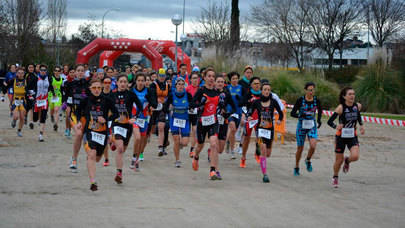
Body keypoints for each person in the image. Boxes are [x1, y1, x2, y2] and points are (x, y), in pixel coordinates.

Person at [76, 78, 118, 191]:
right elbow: (77, 111)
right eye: (94, 88)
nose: (96, 90)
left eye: (99, 88)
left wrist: (106, 119)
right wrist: (79, 121)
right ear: (90, 89)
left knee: (97, 158)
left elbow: (116, 113)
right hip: (89, 132)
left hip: (102, 134)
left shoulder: (107, 100)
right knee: (91, 154)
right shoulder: (86, 100)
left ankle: (91, 160)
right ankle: (93, 182)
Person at [191, 68, 225, 180]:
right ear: (204, 78)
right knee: (200, 145)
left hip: (213, 121)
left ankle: (213, 171)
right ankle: (196, 156)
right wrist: (201, 103)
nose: (211, 78)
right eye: (209, 76)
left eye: (213, 76)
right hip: (202, 122)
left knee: (214, 143)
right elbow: (191, 105)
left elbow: (221, 105)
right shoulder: (201, 91)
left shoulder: (217, 92)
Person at [327, 87, 365, 188]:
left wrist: (361, 125)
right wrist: (336, 126)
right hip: (341, 137)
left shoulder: (357, 106)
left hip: (352, 136)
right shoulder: (341, 108)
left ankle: (347, 161)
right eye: (350, 94)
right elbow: (329, 121)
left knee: (355, 156)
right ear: (344, 96)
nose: (352, 96)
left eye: (353, 94)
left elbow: (358, 115)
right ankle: (335, 177)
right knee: (338, 160)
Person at [109, 74, 142, 183]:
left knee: (122, 149)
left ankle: (113, 141)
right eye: (121, 81)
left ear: (127, 84)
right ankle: (119, 173)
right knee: (120, 149)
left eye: (125, 82)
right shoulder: (111, 94)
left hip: (127, 125)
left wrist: (134, 117)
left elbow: (140, 107)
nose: (123, 84)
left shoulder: (131, 94)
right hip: (116, 124)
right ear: (117, 83)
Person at [247, 82, 283, 182]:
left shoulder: (273, 102)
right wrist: (249, 116)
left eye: (268, 90)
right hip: (260, 129)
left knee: (268, 154)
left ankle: (258, 148)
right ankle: (265, 174)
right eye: (265, 90)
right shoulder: (256, 102)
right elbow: (250, 111)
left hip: (270, 129)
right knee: (263, 150)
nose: (267, 91)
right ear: (261, 91)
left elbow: (281, 113)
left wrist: (279, 119)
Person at [290, 82, 323, 176]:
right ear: (305, 90)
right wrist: (300, 115)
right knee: (300, 148)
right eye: (309, 90)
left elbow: (320, 110)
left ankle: (308, 160)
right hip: (301, 126)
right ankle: (296, 166)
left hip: (311, 125)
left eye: (313, 90)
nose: (311, 92)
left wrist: (319, 120)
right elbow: (292, 113)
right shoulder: (300, 100)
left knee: (313, 145)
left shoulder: (317, 100)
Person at [164, 77, 193, 167]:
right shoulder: (171, 95)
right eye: (179, 84)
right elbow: (165, 107)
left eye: (182, 84)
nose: (180, 86)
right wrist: (169, 108)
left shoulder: (188, 95)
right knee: (176, 140)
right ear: (175, 86)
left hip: (185, 120)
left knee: (184, 143)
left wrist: (191, 108)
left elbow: (192, 105)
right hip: (174, 120)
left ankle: (180, 144)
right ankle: (177, 160)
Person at [131, 72, 157, 167]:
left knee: (142, 139)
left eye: (143, 80)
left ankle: (137, 158)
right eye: (139, 80)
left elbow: (154, 104)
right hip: (134, 118)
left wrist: (149, 100)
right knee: (137, 138)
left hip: (145, 118)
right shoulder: (131, 91)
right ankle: (134, 157)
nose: (141, 82)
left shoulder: (149, 91)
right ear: (136, 81)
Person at [68, 65, 89, 172]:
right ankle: (74, 159)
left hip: (85, 116)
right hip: (74, 115)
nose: (80, 72)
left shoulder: (88, 85)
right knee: (79, 134)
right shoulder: (70, 85)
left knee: (84, 137)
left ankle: (87, 158)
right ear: (75, 72)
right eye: (78, 71)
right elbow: (67, 101)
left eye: (82, 71)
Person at [240, 77, 262, 168]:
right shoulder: (248, 94)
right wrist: (245, 114)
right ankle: (243, 157)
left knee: (260, 138)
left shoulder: (263, 94)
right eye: (255, 83)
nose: (257, 85)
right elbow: (242, 105)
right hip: (250, 119)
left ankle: (257, 153)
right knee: (247, 139)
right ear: (251, 85)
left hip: (260, 119)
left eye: (258, 83)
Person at [149, 68, 170, 156]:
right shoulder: (153, 85)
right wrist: (155, 103)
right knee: (152, 128)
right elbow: (151, 96)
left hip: (163, 109)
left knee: (162, 126)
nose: (162, 77)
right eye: (160, 76)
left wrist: (167, 104)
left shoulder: (167, 85)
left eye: (163, 76)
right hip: (154, 108)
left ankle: (161, 147)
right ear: (157, 76)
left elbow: (169, 96)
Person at [214, 75, 236, 155]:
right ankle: (212, 153)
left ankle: (212, 151)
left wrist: (228, 113)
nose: (220, 83)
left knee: (220, 150)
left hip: (223, 119)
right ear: (215, 83)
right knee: (214, 141)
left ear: (224, 84)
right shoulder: (211, 92)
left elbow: (234, 107)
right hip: (213, 120)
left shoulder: (226, 94)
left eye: (222, 82)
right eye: (218, 82)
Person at [32, 65, 55, 142]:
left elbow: (51, 86)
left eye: (44, 70)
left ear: (46, 71)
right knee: (35, 118)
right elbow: (29, 87)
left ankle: (41, 135)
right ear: (39, 71)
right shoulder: (36, 78)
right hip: (37, 100)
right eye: (41, 70)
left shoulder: (48, 78)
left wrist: (53, 93)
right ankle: (37, 119)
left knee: (43, 117)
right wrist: (30, 94)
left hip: (45, 100)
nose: (43, 71)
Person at [226, 72, 244, 159]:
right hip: (230, 111)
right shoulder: (227, 88)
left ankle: (230, 146)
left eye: (236, 78)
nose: (235, 80)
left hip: (238, 112)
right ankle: (232, 150)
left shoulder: (241, 88)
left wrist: (240, 99)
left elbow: (244, 100)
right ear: (230, 80)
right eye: (233, 78)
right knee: (232, 127)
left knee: (233, 132)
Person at [185, 72, 200, 158]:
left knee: (194, 130)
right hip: (188, 112)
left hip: (196, 112)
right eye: (193, 78)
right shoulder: (187, 89)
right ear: (190, 80)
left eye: (196, 78)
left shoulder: (200, 89)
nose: (195, 80)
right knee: (187, 131)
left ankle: (192, 149)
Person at [10, 67, 27, 137]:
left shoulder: (26, 81)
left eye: (22, 73)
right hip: (15, 100)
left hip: (23, 100)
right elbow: (5, 84)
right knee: (16, 116)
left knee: (22, 117)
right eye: (19, 73)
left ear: (24, 74)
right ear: (16, 73)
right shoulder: (13, 80)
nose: (20, 74)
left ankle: (19, 130)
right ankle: (14, 120)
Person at [101, 76, 113, 166]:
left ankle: (113, 142)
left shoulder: (114, 95)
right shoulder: (99, 95)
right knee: (105, 141)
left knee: (112, 138)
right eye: (105, 83)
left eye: (109, 83)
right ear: (102, 84)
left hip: (113, 120)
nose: (107, 85)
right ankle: (106, 159)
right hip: (103, 120)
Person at [48, 66, 64, 131]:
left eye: (58, 71)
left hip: (58, 96)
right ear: (54, 71)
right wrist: (53, 93)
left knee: (56, 109)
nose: (57, 72)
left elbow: (62, 88)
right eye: (56, 71)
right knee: (52, 110)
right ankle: (51, 116)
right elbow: (49, 87)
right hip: (51, 95)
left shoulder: (61, 79)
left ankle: (56, 124)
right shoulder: (51, 78)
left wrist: (63, 99)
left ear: (60, 72)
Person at [61, 67, 76, 137]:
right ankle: (67, 129)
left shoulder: (77, 82)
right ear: (68, 73)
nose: (72, 74)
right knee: (68, 115)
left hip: (75, 101)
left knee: (72, 117)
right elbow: (63, 92)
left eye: (73, 72)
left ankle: (70, 130)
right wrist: (63, 102)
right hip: (68, 101)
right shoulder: (65, 82)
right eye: (71, 72)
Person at [25, 64, 38, 130]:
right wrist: (27, 93)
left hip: (33, 94)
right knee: (26, 107)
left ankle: (31, 122)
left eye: (32, 67)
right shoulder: (25, 75)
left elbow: (36, 86)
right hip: (25, 93)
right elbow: (25, 85)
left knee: (32, 107)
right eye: (29, 67)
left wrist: (35, 93)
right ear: (27, 68)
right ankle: (25, 116)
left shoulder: (35, 76)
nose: (31, 68)